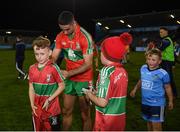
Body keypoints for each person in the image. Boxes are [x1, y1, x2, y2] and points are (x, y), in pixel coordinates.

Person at [52, 11, 94, 130]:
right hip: (69, 79)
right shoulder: (60, 36)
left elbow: (88, 64)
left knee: (85, 114)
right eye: (62, 29)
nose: (64, 32)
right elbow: (54, 56)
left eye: (67, 29)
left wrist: (68, 73)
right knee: (66, 111)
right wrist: (47, 65)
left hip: (84, 79)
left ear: (73, 22)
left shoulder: (85, 37)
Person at [83, 32, 133, 131]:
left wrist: (88, 94)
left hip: (105, 121)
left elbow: (102, 103)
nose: (100, 54)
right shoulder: (122, 71)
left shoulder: (106, 72)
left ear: (107, 55)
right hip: (119, 119)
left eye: (102, 52)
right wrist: (96, 92)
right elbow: (112, 92)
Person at [130, 48, 173, 131]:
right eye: (149, 59)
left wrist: (170, 100)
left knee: (156, 126)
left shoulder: (163, 73)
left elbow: (167, 87)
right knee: (149, 123)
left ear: (159, 61)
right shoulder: (143, 68)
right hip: (145, 102)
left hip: (157, 104)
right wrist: (135, 89)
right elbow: (141, 80)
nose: (150, 61)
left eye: (153, 60)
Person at [28, 36, 65, 131]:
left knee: (54, 129)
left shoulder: (53, 68)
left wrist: (49, 100)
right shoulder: (32, 68)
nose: (39, 57)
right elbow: (31, 87)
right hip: (37, 107)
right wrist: (32, 104)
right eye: (36, 54)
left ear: (49, 53)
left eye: (42, 54)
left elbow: (62, 86)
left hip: (52, 109)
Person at [157, 27, 177, 98]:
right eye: (160, 32)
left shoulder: (166, 40)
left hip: (167, 62)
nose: (160, 33)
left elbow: (159, 49)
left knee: (168, 78)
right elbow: (173, 53)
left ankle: (173, 94)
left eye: (162, 32)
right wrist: (174, 63)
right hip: (168, 62)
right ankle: (173, 93)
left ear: (166, 32)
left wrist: (151, 51)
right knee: (168, 77)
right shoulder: (168, 40)